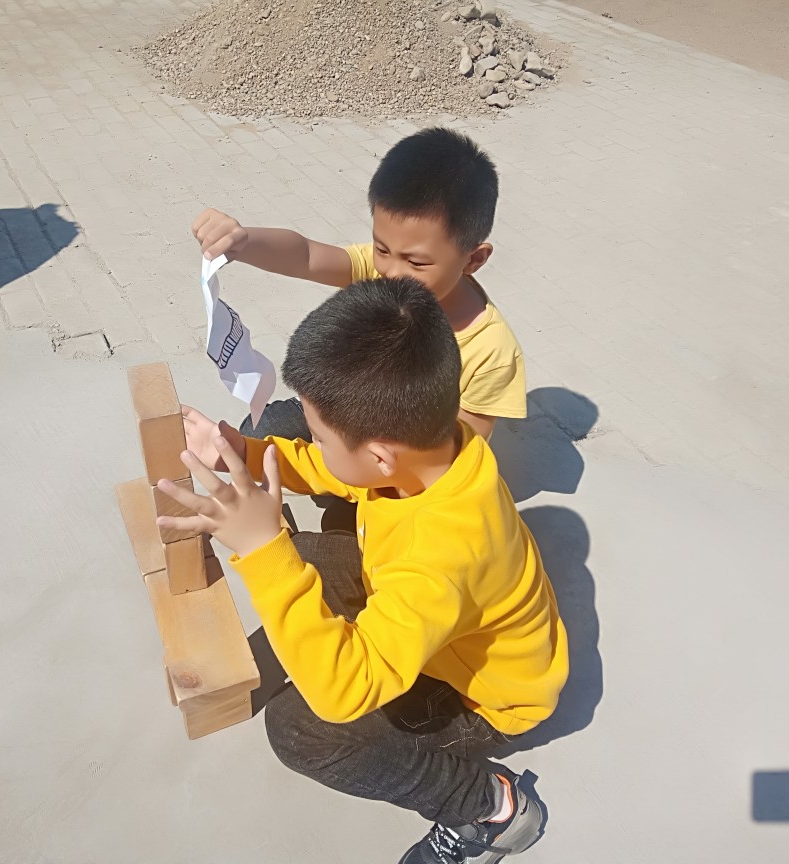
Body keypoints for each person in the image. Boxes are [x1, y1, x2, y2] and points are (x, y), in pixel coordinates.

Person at [155, 278, 566, 864]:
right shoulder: (437, 450)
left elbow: (344, 694)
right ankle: (306, 642)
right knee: (310, 558)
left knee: (301, 728)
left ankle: (489, 807)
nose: (314, 445)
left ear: (378, 456)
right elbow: (332, 470)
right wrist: (239, 452)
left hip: (479, 700)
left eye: (320, 437)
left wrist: (262, 548)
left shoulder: (440, 556)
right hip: (434, 615)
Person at [192, 126, 526, 444]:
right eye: (382, 249)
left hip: (404, 452)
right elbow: (307, 256)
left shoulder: (490, 351)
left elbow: (463, 447)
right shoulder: (378, 272)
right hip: (340, 408)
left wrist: (357, 462)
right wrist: (244, 242)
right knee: (257, 437)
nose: (391, 272)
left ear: (473, 259)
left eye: (416, 262)